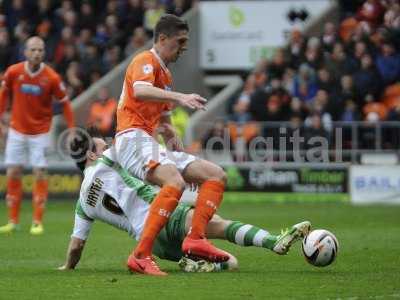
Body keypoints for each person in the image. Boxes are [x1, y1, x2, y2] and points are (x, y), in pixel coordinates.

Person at [58, 128, 311, 273]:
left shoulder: (82, 202)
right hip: (163, 217)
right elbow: (135, 145)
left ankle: (196, 264)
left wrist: (67, 267)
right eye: (103, 145)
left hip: (152, 244)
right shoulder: (108, 160)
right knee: (219, 225)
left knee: (231, 264)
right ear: (92, 153)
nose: (108, 145)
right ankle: (274, 242)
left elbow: (76, 246)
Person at [115, 14, 229, 275]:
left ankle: (196, 239)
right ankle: (141, 255)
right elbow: (141, 91)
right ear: (162, 39)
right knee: (175, 182)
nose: (183, 47)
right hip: (131, 138)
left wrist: (172, 138)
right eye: (180, 41)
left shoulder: (165, 75)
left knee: (214, 175)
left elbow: (164, 117)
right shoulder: (145, 60)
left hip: (149, 141)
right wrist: (181, 97)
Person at [0, 36, 75, 235]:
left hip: (40, 133)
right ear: (25, 52)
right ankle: (13, 221)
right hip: (17, 130)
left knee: (40, 173)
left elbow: (65, 102)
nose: (36, 53)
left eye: (40, 50)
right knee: (13, 172)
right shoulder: (14, 72)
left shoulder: (51, 77)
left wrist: (71, 129)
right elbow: (4, 94)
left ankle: (37, 221)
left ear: (44, 53)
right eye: (33, 50)